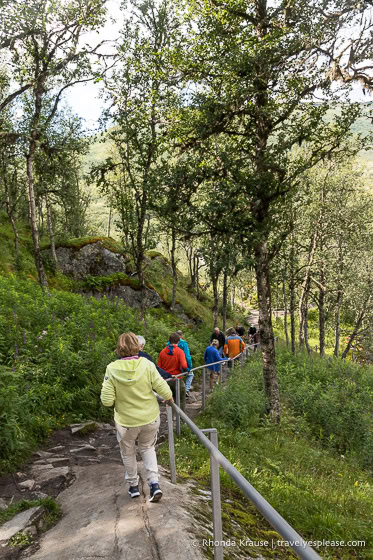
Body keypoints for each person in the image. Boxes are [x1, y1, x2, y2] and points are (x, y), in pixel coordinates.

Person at [101, 332, 173, 503]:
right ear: (137, 346)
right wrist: (166, 397)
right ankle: (154, 484)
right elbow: (165, 390)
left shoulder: (111, 369)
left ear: (119, 348)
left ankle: (133, 487)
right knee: (148, 448)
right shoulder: (147, 365)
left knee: (128, 453)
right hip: (149, 418)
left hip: (126, 422)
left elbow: (106, 401)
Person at [158, 332, 187, 409]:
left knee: (169, 399)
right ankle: (180, 419)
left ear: (169, 341)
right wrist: (185, 370)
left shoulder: (162, 352)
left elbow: (158, 367)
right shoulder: (180, 351)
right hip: (177, 378)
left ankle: (170, 418)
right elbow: (184, 365)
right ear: (178, 341)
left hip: (166, 380)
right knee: (181, 399)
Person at [176, 329, 194, 398]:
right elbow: (187, 356)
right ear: (181, 336)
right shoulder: (183, 343)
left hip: (172, 365)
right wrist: (189, 367)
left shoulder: (169, 343)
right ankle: (186, 390)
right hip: (181, 365)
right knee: (191, 374)